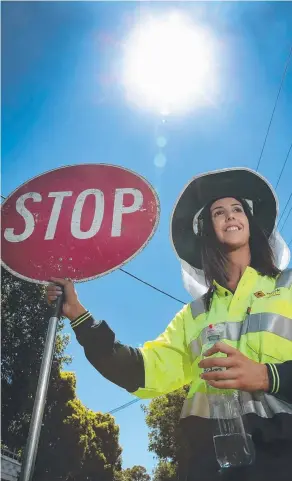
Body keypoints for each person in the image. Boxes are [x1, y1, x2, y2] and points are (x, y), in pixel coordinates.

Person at [47, 168, 292, 481]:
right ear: (206, 229)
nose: (230, 216)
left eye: (237, 209)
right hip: (209, 464)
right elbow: (142, 370)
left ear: (249, 222)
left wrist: (267, 375)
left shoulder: (287, 286)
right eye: (219, 212)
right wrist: (79, 317)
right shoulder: (194, 315)